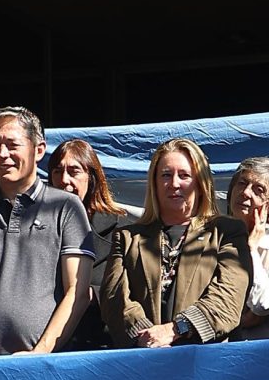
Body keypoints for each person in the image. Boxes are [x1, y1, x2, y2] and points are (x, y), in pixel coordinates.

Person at [0, 105, 90, 357]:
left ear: (39, 150)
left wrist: (40, 354)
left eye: (12, 145)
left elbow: (78, 292)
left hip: (49, 366)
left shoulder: (66, 207)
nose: (2, 154)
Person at [97, 139, 250, 348]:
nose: (174, 184)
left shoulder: (227, 232)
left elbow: (229, 297)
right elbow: (114, 299)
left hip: (207, 357)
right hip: (144, 357)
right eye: (166, 175)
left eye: (184, 175)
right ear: (154, 183)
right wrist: (149, 338)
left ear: (200, 183)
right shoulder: (126, 238)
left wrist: (176, 330)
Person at [48, 137, 130, 350]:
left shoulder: (122, 230)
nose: (64, 180)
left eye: (73, 171)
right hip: (49, 343)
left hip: (102, 344)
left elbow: (134, 291)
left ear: (91, 178)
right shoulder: (37, 227)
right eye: (57, 171)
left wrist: (92, 293)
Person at [226, 157, 269, 339]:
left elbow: (264, 304)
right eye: (242, 183)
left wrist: (250, 250)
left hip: (255, 350)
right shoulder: (210, 238)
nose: (245, 193)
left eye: (258, 189)